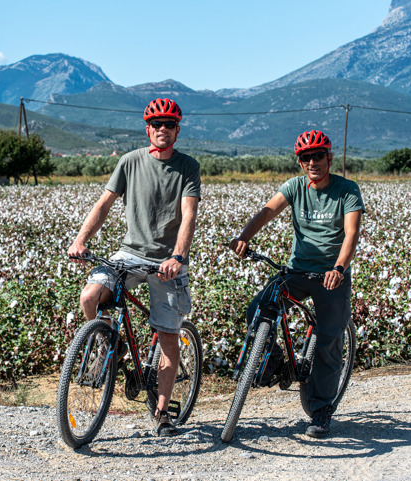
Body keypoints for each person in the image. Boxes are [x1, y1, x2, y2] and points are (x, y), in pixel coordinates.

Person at [68, 98, 201, 437]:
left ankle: (161, 414)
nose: (162, 129)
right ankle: (105, 344)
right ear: (148, 129)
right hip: (128, 254)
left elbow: (189, 215)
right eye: (156, 124)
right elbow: (104, 204)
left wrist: (178, 257)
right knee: (90, 297)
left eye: (169, 124)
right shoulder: (129, 162)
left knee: (169, 337)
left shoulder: (188, 167)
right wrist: (80, 239)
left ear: (177, 130)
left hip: (167, 262)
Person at [229, 129, 364, 439]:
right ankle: (276, 358)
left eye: (318, 156)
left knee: (328, 340)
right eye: (306, 157)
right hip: (297, 272)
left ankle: (320, 411)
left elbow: (351, 233)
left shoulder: (347, 190)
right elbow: (267, 211)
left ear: (330, 158)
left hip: (332, 276)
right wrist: (244, 237)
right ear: (301, 163)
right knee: (258, 309)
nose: (313, 161)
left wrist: (339, 267)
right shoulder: (294, 187)